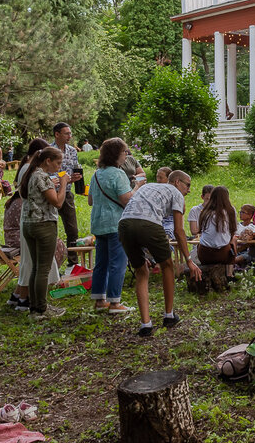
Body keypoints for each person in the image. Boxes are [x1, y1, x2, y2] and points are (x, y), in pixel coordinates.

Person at [119, 170, 199, 336]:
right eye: (188, 185)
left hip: (124, 224)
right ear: (177, 182)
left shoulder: (147, 187)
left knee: (141, 271)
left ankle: (145, 324)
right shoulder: (175, 192)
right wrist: (189, 260)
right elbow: (178, 230)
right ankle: (169, 315)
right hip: (148, 224)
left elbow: (136, 217)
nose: (189, 190)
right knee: (167, 265)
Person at [87, 138, 140, 316]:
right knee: (118, 263)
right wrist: (137, 187)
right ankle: (115, 302)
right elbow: (127, 200)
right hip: (116, 223)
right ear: (116, 153)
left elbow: (90, 200)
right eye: (125, 151)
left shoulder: (96, 174)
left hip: (99, 223)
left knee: (101, 263)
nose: (127, 155)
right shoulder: (118, 174)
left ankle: (99, 300)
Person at [20, 146, 68, 320]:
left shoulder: (32, 174)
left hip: (29, 224)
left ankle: (34, 307)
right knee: (43, 269)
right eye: (58, 162)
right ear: (48, 161)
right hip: (44, 225)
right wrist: (63, 184)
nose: (59, 166)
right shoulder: (42, 176)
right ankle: (41, 308)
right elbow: (57, 202)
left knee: (36, 267)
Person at [51, 122, 83, 265]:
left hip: (67, 193)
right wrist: (62, 180)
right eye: (66, 133)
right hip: (51, 194)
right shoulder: (48, 150)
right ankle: (53, 262)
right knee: (51, 229)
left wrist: (75, 178)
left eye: (70, 133)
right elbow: (46, 175)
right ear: (57, 134)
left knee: (72, 229)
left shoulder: (72, 151)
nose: (70, 136)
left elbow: (73, 169)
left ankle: (73, 262)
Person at [197, 186, 239, 277]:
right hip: (222, 254)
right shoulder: (230, 211)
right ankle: (229, 273)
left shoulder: (205, 211)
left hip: (204, 254)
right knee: (233, 240)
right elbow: (233, 231)